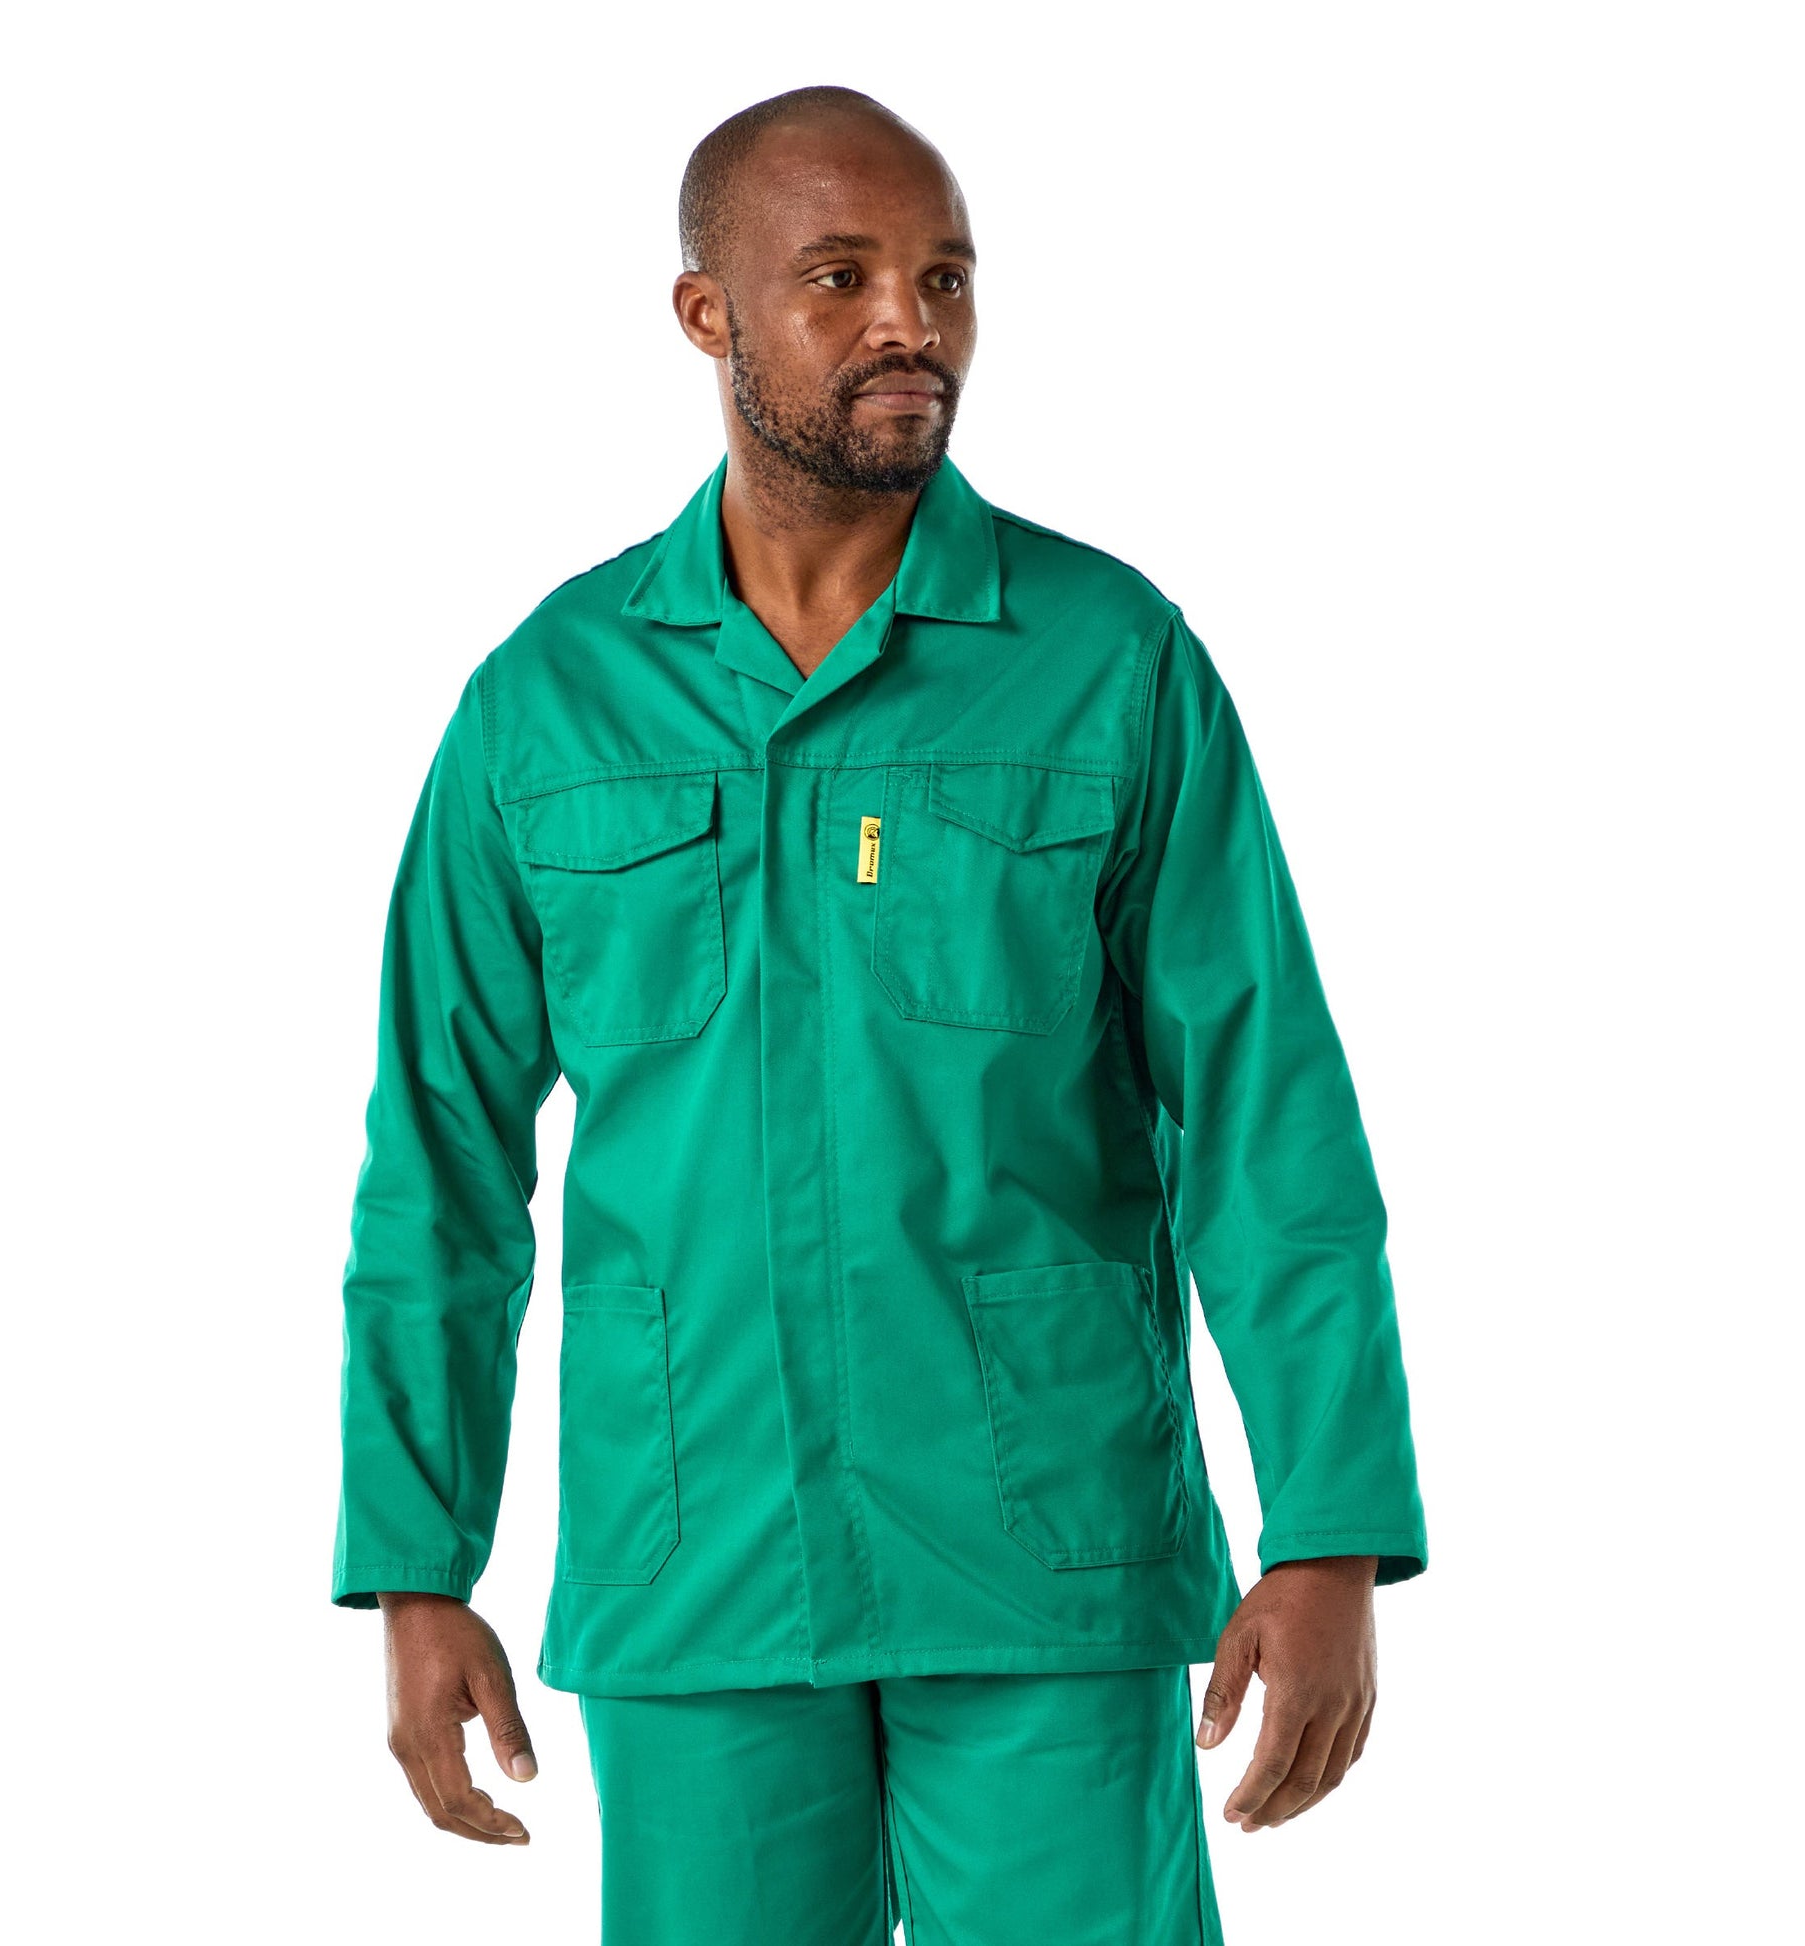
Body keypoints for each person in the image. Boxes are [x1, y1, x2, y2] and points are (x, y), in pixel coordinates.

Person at [332, 83, 1428, 1946]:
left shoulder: (1107, 661)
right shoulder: (548, 703)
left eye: (944, 277)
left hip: (1042, 1554)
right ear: (707, 314)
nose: (908, 323)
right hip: (696, 1559)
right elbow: (435, 1163)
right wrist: (415, 1562)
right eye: (838, 278)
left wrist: (1328, 1524)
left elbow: (1264, 1112)